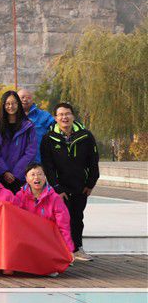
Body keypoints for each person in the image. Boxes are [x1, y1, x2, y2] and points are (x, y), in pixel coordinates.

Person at [40, 103, 99, 261]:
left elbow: (93, 161)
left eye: (67, 114)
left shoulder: (86, 136)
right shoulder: (48, 138)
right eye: (60, 115)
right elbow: (48, 166)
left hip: (80, 186)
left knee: (77, 218)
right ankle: (63, 250)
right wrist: (56, 187)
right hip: (60, 187)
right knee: (61, 219)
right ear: (55, 118)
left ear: (73, 116)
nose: (64, 117)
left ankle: (77, 248)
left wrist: (90, 183)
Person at [13, 162, 74, 257]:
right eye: (32, 174)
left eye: (40, 174)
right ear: (26, 178)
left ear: (45, 177)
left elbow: (63, 226)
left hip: (48, 241)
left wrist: (68, 249)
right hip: (27, 240)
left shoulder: (55, 198)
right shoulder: (20, 196)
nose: (36, 177)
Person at [0, 90, 38, 192]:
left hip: (21, 176)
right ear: (3, 105)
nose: (11, 106)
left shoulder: (28, 125)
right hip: (0, 176)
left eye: (14, 103)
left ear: (19, 104)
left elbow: (31, 151)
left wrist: (16, 173)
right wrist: (4, 171)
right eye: (8, 104)